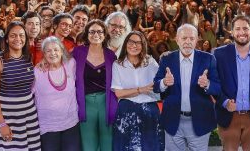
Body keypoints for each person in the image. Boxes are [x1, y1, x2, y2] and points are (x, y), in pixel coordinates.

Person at [153, 24, 221, 151]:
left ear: (197, 40)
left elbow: (218, 88)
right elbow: (156, 86)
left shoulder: (208, 59)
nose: (188, 42)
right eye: (184, 38)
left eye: (191, 38)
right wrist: (164, 82)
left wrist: (207, 84)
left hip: (200, 120)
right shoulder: (167, 59)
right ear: (177, 39)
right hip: (173, 120)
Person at [214, 15, 250, 151]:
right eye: (238, 29)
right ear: (232, 32)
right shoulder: (219, 54)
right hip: (228, 115)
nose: (242, 32)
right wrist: (225, 102)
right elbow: (215, 84)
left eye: (245, 28)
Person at [0, 21, 41, 150]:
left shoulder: (28, 58)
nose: (18, 39)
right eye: (13, 35)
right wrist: (2, 124)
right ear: (6, 39)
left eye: (21, 35)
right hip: (7, 117)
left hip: (29, 116)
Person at [111, 31, 163, 151]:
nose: (134, 45)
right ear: (126, 43)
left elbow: (159, 85)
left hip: (149, 110)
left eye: (138, 43)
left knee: (150, 146)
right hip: (126, 111)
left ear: (143, 45)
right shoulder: (118, 64)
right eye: (131, 42)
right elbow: (119, 93)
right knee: (127, 146)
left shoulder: (150, 62)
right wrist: (141, 90)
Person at [72, 20, 117, 151]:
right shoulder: (78, 52)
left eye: (99, 31)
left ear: (104, 35)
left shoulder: (110, 55)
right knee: (88, 143)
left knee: (107, 141)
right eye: (92, 31)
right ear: (87, 34)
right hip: (85, 103)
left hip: (106, 102)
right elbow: (61, 61)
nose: (95, 34)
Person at [34, 36, 81, 151]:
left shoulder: (71, 64)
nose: (52, 53)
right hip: (48, 126)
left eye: (56, 50)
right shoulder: (38, 71)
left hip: (71, 123)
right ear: (44, 54)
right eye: (48, 51)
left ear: (61, 51)